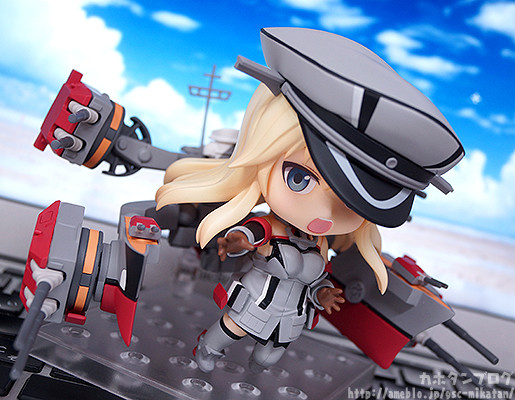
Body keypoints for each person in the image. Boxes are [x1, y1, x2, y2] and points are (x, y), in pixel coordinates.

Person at [155, 27, 464, 373]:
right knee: (229, 332)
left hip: (291, 315)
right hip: (254, 301)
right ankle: (208, 349)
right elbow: (253, 232)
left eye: (351, 201)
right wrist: (236, 240)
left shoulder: (320, 243)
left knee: (267, 358)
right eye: (299, 179)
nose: (324, 211)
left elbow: (317, 281)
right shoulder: (273, 228)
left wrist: (323, 295)